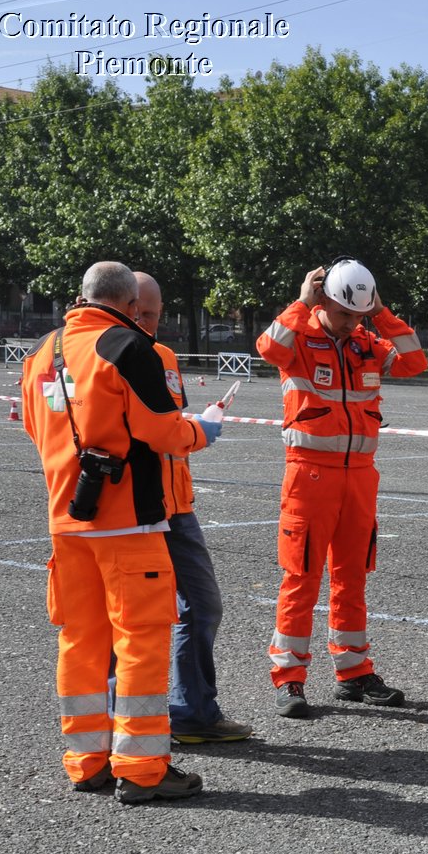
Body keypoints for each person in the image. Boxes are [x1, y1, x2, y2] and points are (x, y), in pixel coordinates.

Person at [20, 261, 220, 804]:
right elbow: (162, 431)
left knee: (80, 642)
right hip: (130, 522)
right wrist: (202, 430)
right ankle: (142, 768)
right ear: (130, 305)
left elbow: (36, 429)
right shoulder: (129, 348)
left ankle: (85, 762)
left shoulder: (43, 350)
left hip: (67, 520)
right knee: (140, 642)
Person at [256, 258, 428, 718]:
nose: (352, 323)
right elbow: (268, 349)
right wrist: (301, 303)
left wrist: (379, 312)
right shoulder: (298, 338)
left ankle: (352, 672)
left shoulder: (368, 341)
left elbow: (415, 360)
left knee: (352, 579)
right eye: (344, 313)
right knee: (302, 578)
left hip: (360, 477)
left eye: (358, 315)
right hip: (309, 475)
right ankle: (289, 678)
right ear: (324, 299)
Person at [131, 272, 253, 744]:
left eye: (153, 315)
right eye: (138, 313)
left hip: (176, 504)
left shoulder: (162, 356)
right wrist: (198, 431)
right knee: (133, 619)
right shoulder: (116, 354)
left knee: (202, 608)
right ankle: (128, 725)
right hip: (136, 509)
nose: (145, 323)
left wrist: (192, 424)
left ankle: (192, 713)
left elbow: (165, 425)